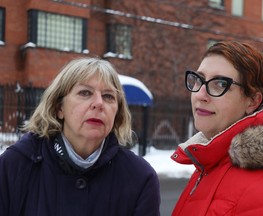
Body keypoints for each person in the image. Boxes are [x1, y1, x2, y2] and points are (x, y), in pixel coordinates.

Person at [0, 57, 160, 216]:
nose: (99, 103)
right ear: (59, 108)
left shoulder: (140, 177)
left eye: (108, 96)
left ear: (117, 112)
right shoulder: (15, 165)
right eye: (85, 93)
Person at [171, 41, 263, 215]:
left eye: (219, 84)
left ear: (253, 101)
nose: (200, 95)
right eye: (198, 79)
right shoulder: (210, 161)